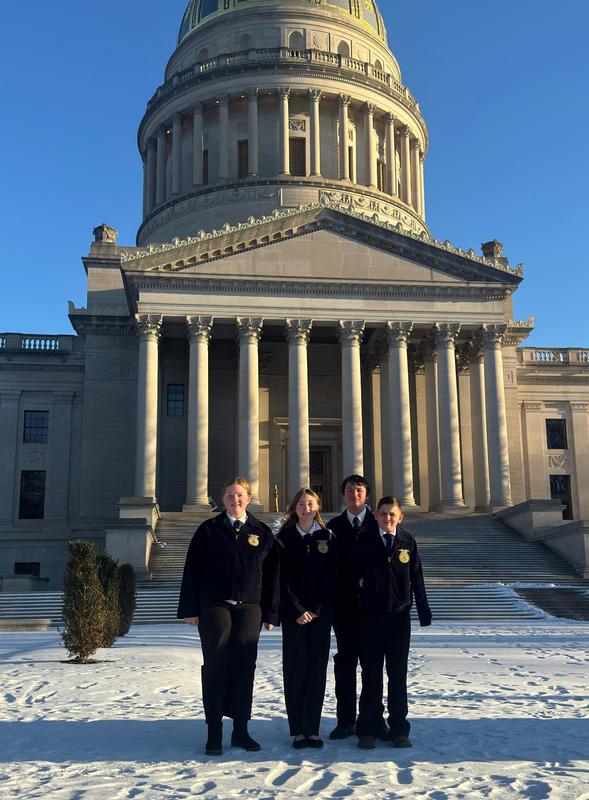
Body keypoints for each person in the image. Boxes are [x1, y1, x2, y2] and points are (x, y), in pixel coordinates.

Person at [177, 477, 280, 756]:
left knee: (245, 666)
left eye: (240, 495)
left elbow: (271, 575)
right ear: (222, 499)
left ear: (248, 498)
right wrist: (190, 608)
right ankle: (214, 733)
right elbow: (193, 569)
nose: (235, 500)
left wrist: (271, 611)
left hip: (249, 607)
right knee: (215, 665)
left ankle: (241, 730)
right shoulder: (208, 529)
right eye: (230, 495)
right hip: (215, 606)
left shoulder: (261, 531)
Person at [354, 496, 432, 750]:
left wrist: (423, 610)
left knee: (398, 675)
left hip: (399, 618)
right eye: (383, 513)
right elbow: (352, 576)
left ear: (401, 517)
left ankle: (399, 728)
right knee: (371, 676)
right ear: (375, 515)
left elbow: (416, 577)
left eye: (392, 514)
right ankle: (368, 728)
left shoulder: (407, 542)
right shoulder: (364, 540)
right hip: (370, 618)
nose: (387, 518)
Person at [326, 474, 387, 740]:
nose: (354, 495)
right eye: (350, 490)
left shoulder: (379, 525)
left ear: (367, 495)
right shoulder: (334, 527)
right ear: (343, 495)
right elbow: (330, 567)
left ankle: (374, 718)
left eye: (359, 490)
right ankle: (345, 720)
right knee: (346, 664)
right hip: (345, 608)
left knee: (373, 666)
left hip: (373, 608)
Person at [276, 488, 337, 749]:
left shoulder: (328, 538)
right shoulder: (284, 539)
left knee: (316, 671)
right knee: (295, 670)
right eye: (301, 503)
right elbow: (281, 580)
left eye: (310, 503)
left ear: (317, 507)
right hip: (294, 617)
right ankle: (299, 730)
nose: (305, 507)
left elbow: (332, 578)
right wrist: (297, 609)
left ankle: (312, 729)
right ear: (294, 508)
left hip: (320, 617)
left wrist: (317, 609)